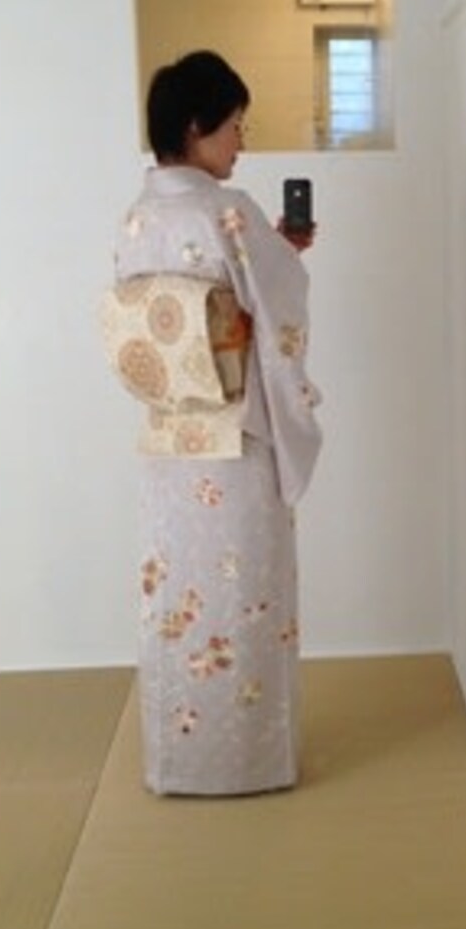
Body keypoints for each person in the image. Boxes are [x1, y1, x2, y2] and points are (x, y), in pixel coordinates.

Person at [104, 49, 322, 796]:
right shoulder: (228, 211)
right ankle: (248, 763)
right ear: (196, 128)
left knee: (178, 594)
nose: (241, 144)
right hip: (235, 438)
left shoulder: (137, 219)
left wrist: (269, 259)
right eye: (235, 127)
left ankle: (178, 763)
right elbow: (278, 304)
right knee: (246, 591)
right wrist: (283, 257)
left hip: (168, 443)